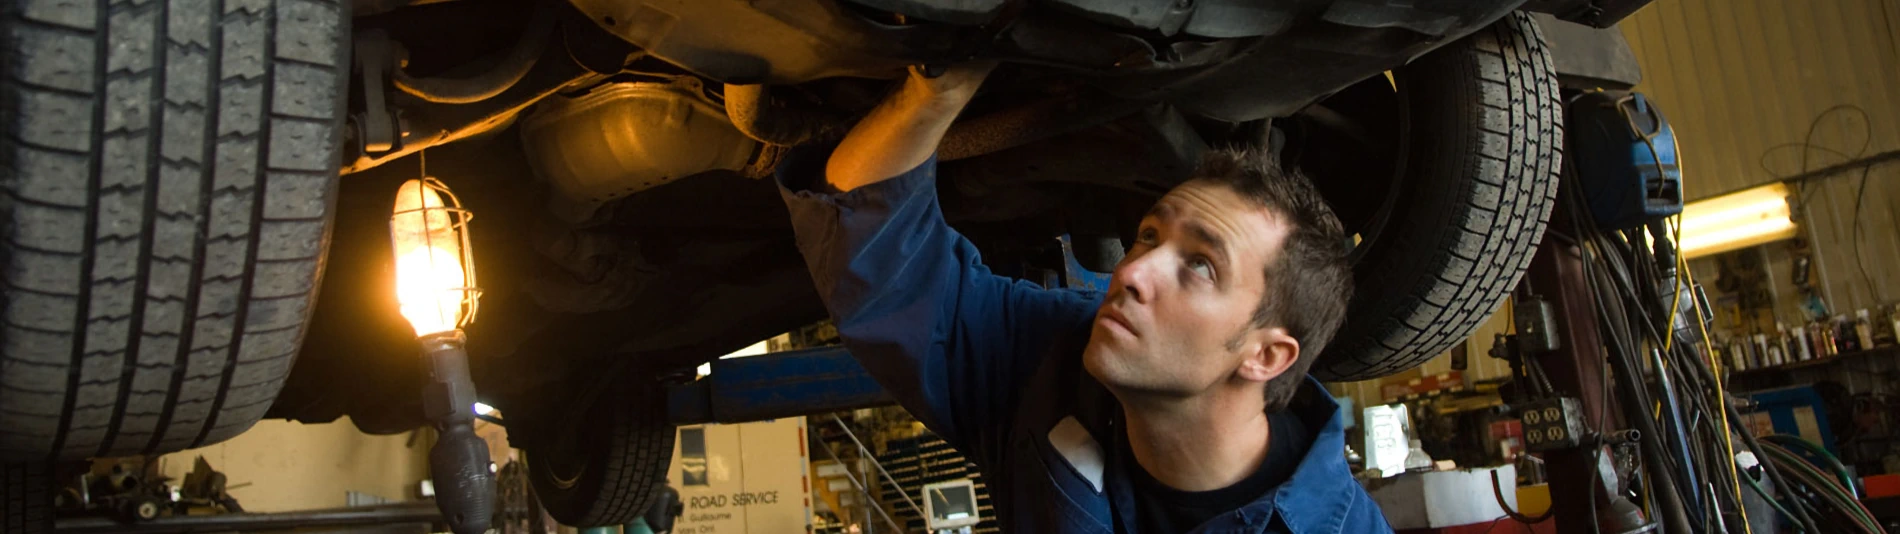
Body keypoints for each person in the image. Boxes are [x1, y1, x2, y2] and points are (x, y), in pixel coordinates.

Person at [777, 62, 1392, 534]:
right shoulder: (1049, 362)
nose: (1134, 271)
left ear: (1266, 356)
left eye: (1201, 266)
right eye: (1147, 235)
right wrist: (937, 86)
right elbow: (881, 258)